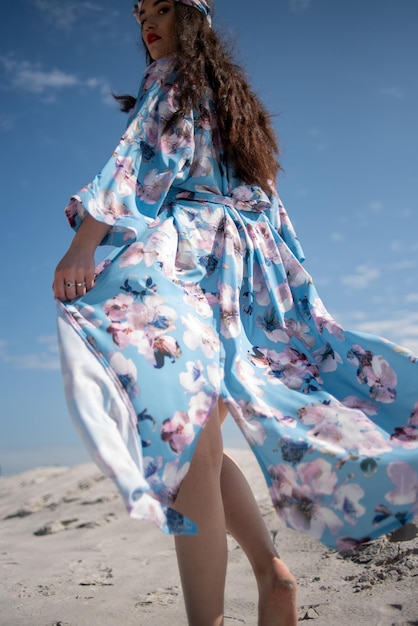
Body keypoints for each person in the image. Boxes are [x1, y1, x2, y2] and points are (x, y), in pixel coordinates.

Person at [53, 1, 418, 624]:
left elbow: (139, 157)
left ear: (194, 17)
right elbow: (273, 209)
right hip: (251, 269)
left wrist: (84, 242)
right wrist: (298, 299)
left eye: (163, 6)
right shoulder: (237, 97)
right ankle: (269, 571)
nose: (147, 21)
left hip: (196, 259)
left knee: (187, 436)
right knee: (200, 437)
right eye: (140, 11)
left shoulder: (172, 79)